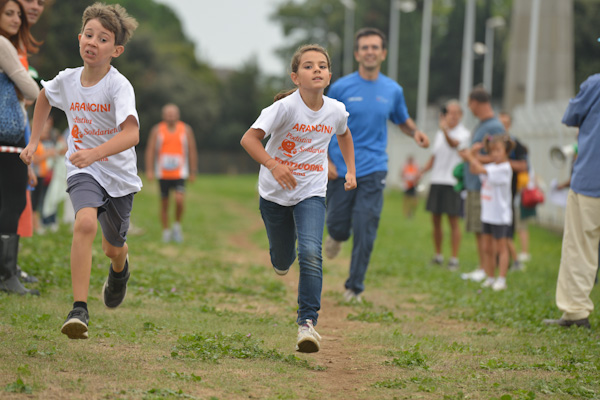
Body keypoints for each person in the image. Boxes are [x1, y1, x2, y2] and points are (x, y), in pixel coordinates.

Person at [20, 2, 140, 339]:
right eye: (89, 34)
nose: (93, 42)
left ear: (115, 50)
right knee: (84, 222)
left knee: (112, 247)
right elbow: (44, 96)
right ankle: (79, 309)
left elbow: (132, 134)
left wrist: (97, 153)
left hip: (118, 175)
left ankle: (120, 269)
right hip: (82, 169)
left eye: (103, 39)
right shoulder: (68, 80)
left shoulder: (119, 87)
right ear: (79, 38)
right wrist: (32, 142)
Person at [240, 44, 356, 353]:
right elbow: (249, 139)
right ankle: (281, 257)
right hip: (274, 194)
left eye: (322, 65)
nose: (317, 69)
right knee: (282, 260)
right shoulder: (284, 108)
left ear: (329, 75)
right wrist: (274, 165)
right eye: (308, 66)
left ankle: (307, 324)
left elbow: (344, 133)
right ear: (295, 76)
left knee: (310, 252)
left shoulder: (335, 110)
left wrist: (350, 171)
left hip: (311, 192)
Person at [324, 27, 429, 303]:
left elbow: (401, 119)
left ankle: (354, 287)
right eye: (365, 47)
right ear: (358, 53)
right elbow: (322, 125)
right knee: (337, 225)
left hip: (374, 167)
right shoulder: (341, 87)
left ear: (383, 53)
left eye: (375, 47)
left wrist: (415, 132)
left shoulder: (393, 90)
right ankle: (335, 235)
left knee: (365, 226)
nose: (370, 51)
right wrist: (325, 159)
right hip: (340, 166)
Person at [542, 70, 600, 329]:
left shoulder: (595, 84)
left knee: (580, 247)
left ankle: (576, 313)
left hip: (591, 179)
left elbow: (571, 116)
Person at [0, 0, 40, 295]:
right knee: (12, 203)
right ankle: (6, 275)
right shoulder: (2, 44)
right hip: (7, 141)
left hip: (9, 141)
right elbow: (30, 89)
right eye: (8, 13)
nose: (16, 18)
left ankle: (8, 272)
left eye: (17, 14)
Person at [459, 87, 505, 282]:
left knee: (483, 230)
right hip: (474, 184)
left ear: (476, 103)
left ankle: (488, 270)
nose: (469, 108)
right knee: (478, 229)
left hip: (482, 186)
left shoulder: (494, 127)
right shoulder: (482, 125)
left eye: (470, 104)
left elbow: (500, 157)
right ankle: (483, 267)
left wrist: (474, 157)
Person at [419, 100, 470, 270]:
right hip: (437, 180)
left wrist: (445, 130)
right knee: (435, 220)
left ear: (461, 115)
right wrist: (423, 170)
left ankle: (454, 258)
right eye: (450, 112)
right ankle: (438, 255)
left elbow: (454, 144)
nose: (453, 116)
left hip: (452, 183)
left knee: (453, 221)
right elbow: (435, 156)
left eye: (456, 113)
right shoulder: (441, 133)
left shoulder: (463, 133)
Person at [462, 135, 514, 291]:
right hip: (488, 214)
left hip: (500, 216)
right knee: (487, 248)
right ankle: (490, 277)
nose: (495, 154)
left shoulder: (505, 168)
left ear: (506, 151)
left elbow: (477, 167)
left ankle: (502, 279)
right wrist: (473, 155)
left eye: (498, 150)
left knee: (501, 248)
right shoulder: (492, 167)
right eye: (492, 151)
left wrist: (471, 155)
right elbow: (473, 169)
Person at [145, 103, 197, 243]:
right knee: (164, 203)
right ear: (163, 115)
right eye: (168, 114)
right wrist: (149, 170)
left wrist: (193, 171)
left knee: (179, 200)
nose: (170, 116)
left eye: (173, 113)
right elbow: (150, 150)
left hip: (180, 172)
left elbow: (192, 150)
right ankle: (166, 231)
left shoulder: (186, 129)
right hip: (163, 173)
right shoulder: (157, 130)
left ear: (178, 115)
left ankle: (177, 226)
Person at [497, 112, 529, 271]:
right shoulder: (491, 142)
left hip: (509, 193)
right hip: (493, 192)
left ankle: (514, 260)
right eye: (500, 123)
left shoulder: (516, 144)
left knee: (506, 228)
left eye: (505, 123)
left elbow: (524, 166)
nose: (502, 126)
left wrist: (504, 162)